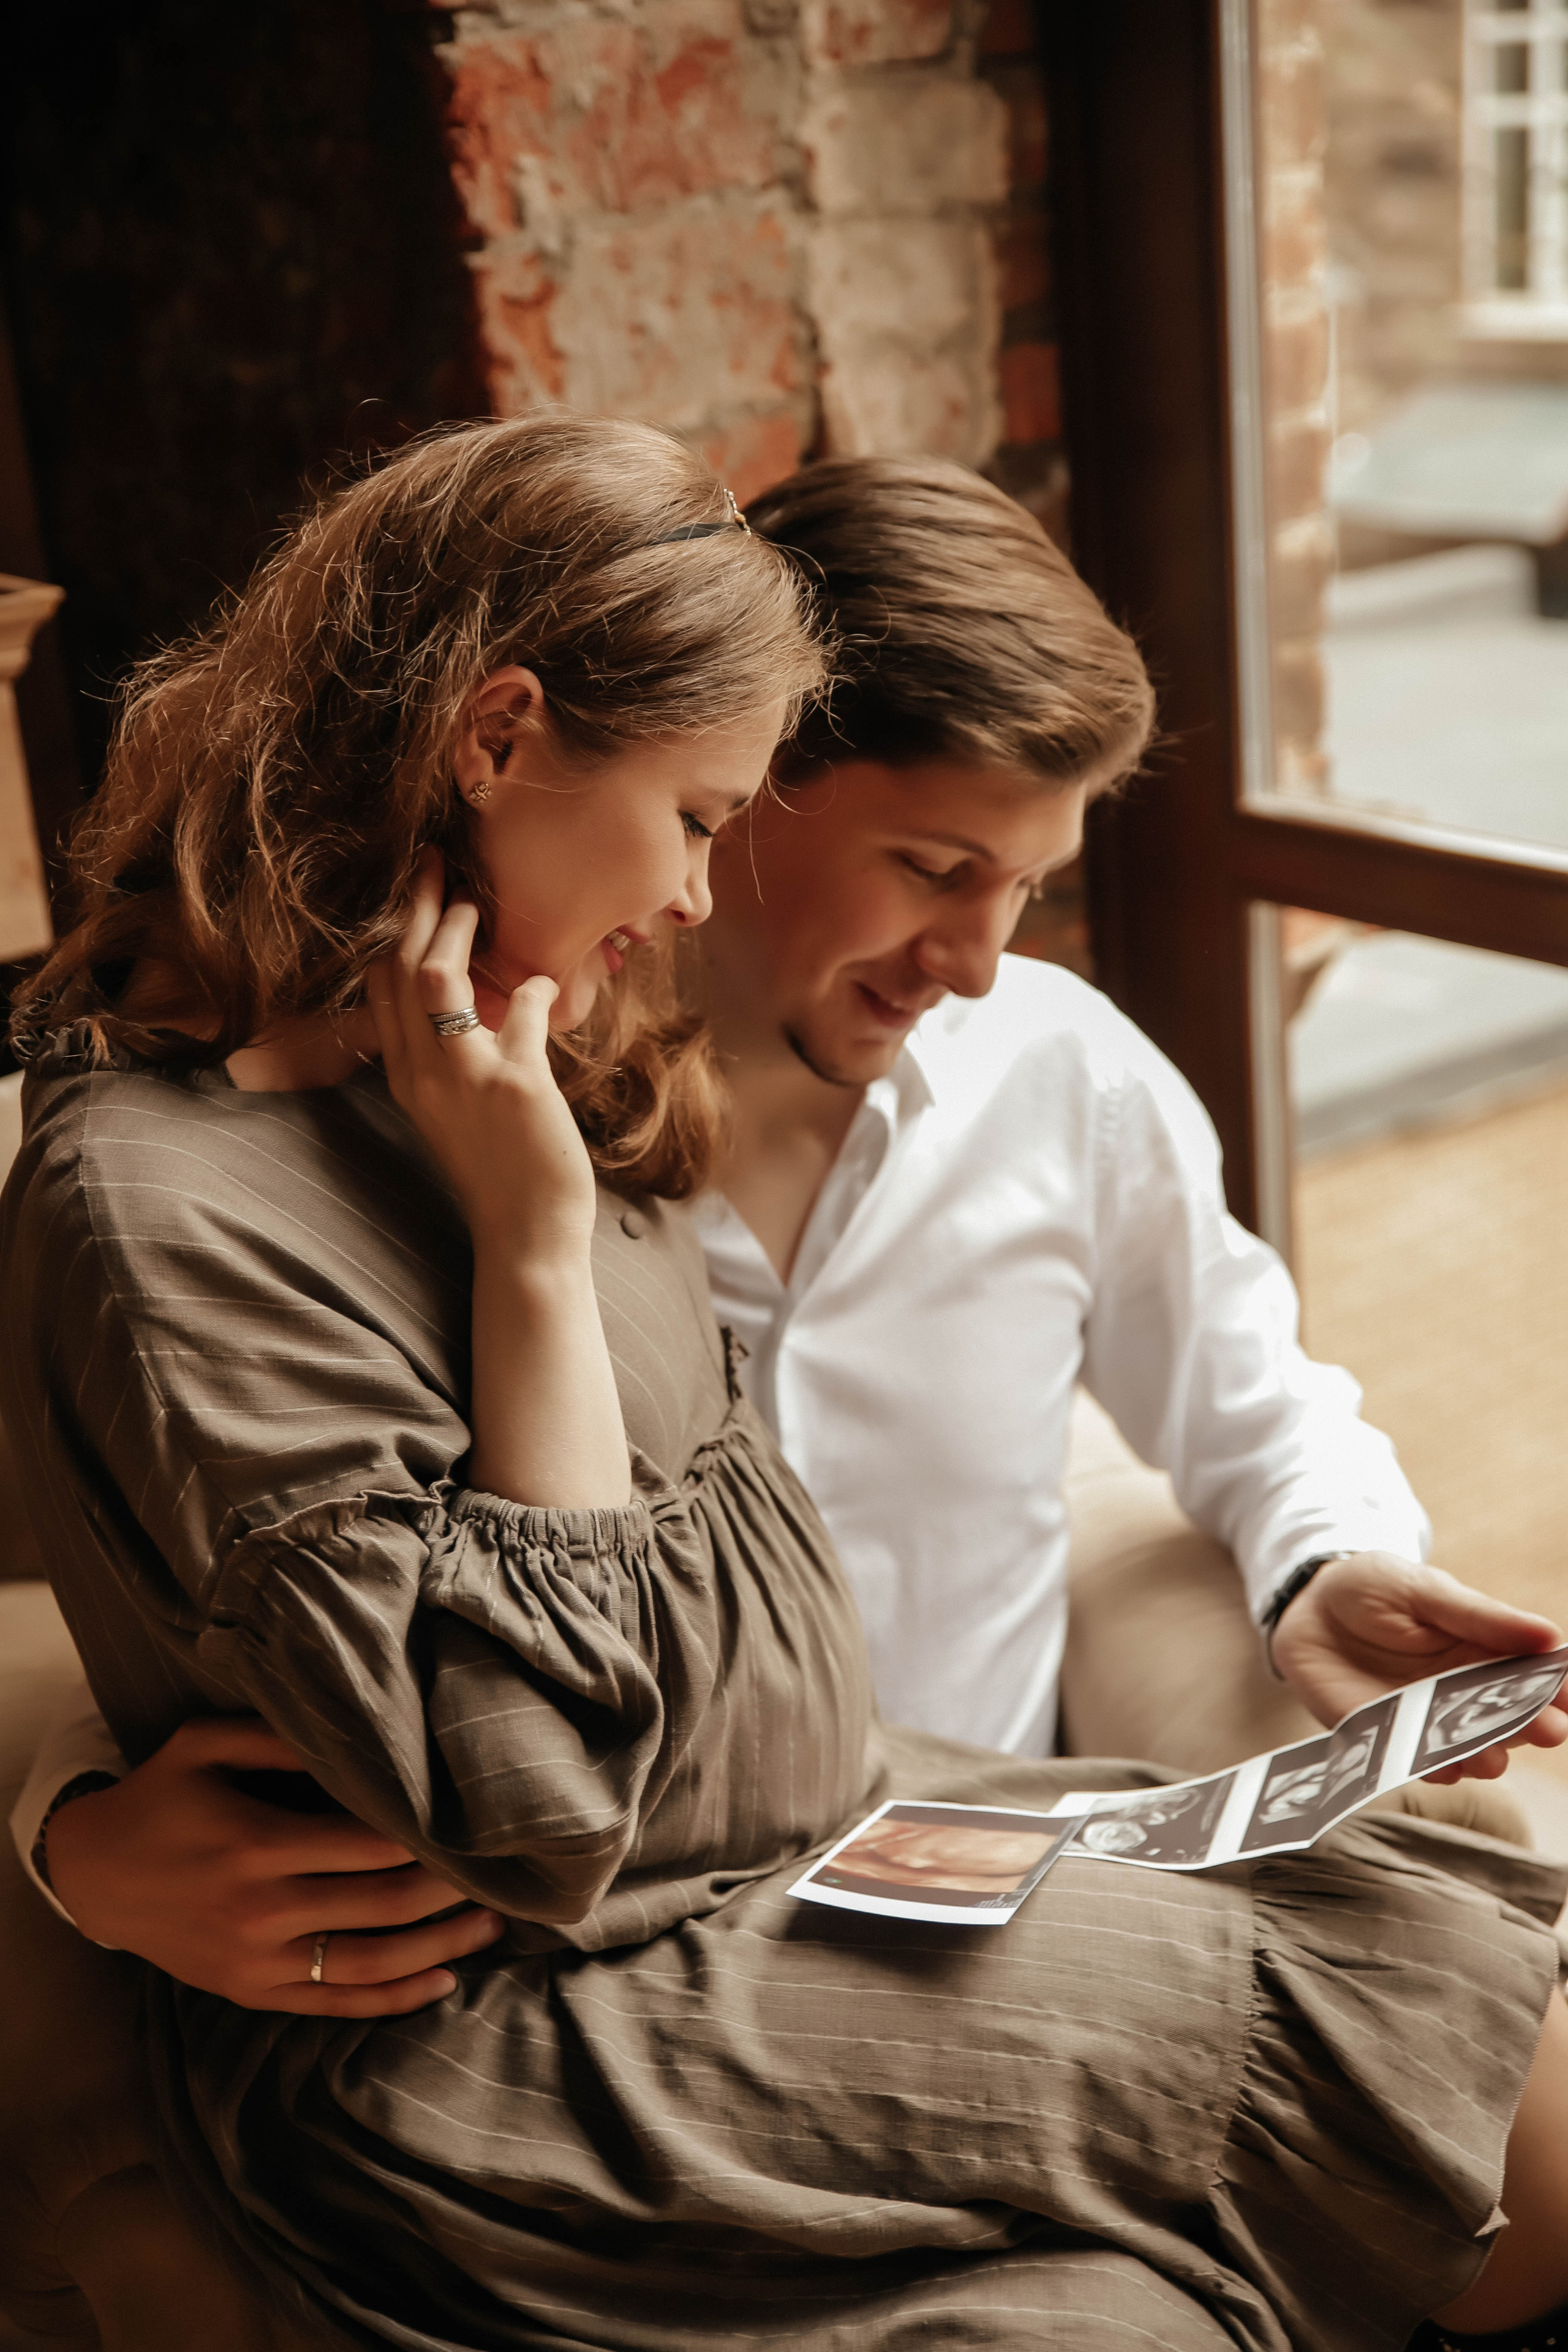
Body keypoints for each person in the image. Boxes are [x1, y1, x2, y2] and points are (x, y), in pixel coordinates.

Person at [6, 415, 1568, 2352]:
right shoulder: (420, 1146)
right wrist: (67, 1826)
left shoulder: (665, 1059)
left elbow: (1252, 1389)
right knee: (1508, 2106)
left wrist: (1322, 1565)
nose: (987, 960)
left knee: (1470, 1990)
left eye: (1031, 884)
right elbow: (378, 1674)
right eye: (929, 865)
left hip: (882, 1840)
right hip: (653, 1953)